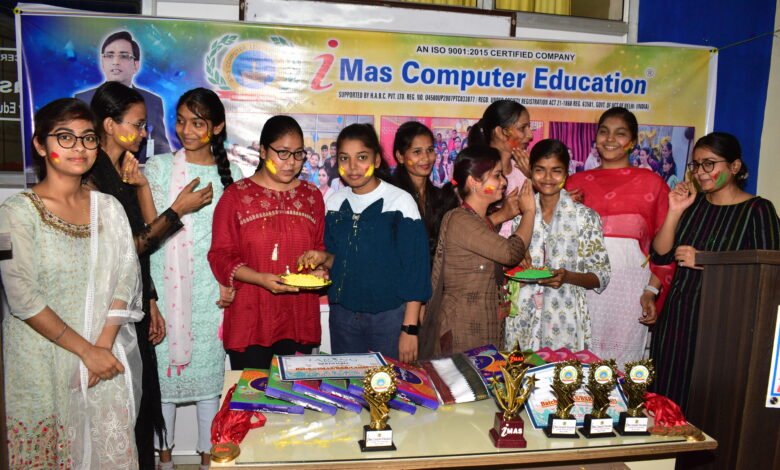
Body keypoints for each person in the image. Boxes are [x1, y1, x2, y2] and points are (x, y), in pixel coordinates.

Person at [0, 98, 142, 468]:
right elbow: (22, 297)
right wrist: (85, 352)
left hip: (103, 358)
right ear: (39, 144)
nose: (79, 147)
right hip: (41, 360)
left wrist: (102, 349)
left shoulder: (108, 208)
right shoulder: (15, 213)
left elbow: (126, 277)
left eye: (88, 138)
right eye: (65, 137)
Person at [88, 81, 213, 469]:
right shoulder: (93, 176)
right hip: (107, 309)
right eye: (138, 125)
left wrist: (152, 299)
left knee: (142, 404)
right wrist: (178, 210)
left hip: (136, 300)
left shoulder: (122, 170)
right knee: (121, 408)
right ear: (110, 124)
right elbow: (129, 247)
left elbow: (141, 251)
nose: (145, 133)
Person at [145, 88, 242, 470]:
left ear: (216, 127)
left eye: (197, 123)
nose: (186, 130)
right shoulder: (157, 168)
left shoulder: (232, 176)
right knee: (162, 386)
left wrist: (228, 279)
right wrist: (177, 207)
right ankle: (165, 461)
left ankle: (208, 460)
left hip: (209, 294)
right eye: (181, 121)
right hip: (164, 290)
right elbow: (149, 231)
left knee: (209, 384)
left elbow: (234, 242)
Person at [650, 132, 780, 411]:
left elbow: (769, 275)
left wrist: (708, 261)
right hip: (678, 318)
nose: (700, 172)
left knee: (709, 403)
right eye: (696, 165)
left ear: (734, 166)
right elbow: (660, 253)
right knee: (668, 402)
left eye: (709, 163)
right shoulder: (693, 205)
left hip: (724, 323)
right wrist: (674, 211)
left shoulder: (758, 210)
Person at [300, 124, 430, 363]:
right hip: (343, 317)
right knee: (348, 384)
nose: (352, 167)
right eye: (344, 158)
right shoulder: (334, 203)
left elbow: (416, 270)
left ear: (377, 160)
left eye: (361, 158)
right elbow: (340, 260)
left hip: (389, 319)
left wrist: (409, 328)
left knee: (389, 384)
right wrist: (323, 260)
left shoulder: (400, 202)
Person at [208, 115, 325, 371]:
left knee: (297, 395)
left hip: (298, 318)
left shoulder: (312, 196)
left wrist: (319, 269)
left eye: (298, 154)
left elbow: (320, 249)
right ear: (262, 151)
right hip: (251, 319)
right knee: (253, 395)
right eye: (282, 153)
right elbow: (220, 255)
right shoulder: (236, 197)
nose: (291, 162)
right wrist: (260, 278)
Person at [566, 107, 675, 366]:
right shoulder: (574, 183)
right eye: (604, 132)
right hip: (581, 287)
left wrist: (651, 291)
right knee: (575, 367)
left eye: (620, 133)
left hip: (629, 291)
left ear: (633, 142)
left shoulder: (652, 184)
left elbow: (664, 251)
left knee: (621, 369)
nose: (610, 139)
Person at [419, 146, 535, 359]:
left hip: (484, 328)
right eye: (497, 175)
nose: (503, 182)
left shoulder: (479, 221)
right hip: (463, 331)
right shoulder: (460, 220)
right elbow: (511, 253)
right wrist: (529, 212)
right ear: (473, 182)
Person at [505, 139, 611, 351]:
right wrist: (515, 260)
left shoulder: (585, 217)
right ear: (530, 171)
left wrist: (567, 277)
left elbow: (601, 276)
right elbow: (509, 267)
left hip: (566, 317)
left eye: (556, 171)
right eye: (540, 170)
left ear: (566, 173)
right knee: (521, 371)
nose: (547, 178)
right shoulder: (521, 214)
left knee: (562, 372)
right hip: (524, 317)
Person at [75, 31, 171, 160]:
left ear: (136, 65)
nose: (115, 62)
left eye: (124, 56)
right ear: (103, 61)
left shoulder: (152, 102)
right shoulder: (83, 100)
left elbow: (160, 148)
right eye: (109, 55)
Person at [391, 121, 458, 261]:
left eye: (430, 150)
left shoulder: (439, 197)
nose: (426, 158)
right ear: (400, 156)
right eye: (417, 152)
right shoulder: (391, 199)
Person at [466, 100, 533, 237]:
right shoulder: (475, 174)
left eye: (529, 128)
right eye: (522, 128)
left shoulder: (524, 171)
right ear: (500, 132)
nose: (530, 135)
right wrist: (502, 214)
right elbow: (464, 231)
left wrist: (534, 180)